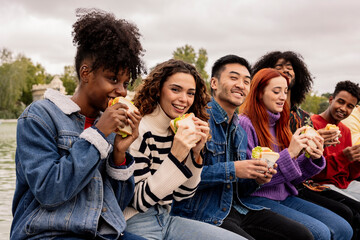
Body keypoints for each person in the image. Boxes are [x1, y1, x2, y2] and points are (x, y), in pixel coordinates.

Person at [11, 9, 147, 240]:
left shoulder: (111, 124)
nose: (122, 91)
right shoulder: (39, 116)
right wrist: (98, 134)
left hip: (101, 233)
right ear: (86, 73)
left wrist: (120, 155)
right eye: (113, 79)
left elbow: (119, 204)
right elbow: (49, 192)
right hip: (47, 232)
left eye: (125, 82)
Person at [171, 55, 314, 240]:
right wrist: (234, 169)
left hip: (238, 207)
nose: (241, 85)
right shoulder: (197, 121)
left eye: (246, 81)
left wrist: (257, 179)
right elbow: (182, 179)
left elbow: (241, 190)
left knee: (302, 234)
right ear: (214, 83)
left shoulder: (239, 130)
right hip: (201, 211)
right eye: (233, 78)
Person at [123, 59, 246, 240]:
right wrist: (176, 155)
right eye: (175, 89)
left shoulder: (177, 128)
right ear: (157, 89)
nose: (184, 99)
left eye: (190, 93)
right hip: (135, 220)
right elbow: (139, 201)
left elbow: (183, 194)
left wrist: (196, 155)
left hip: (166, 217)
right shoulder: (139, 129)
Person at [252, 51, 360, 239]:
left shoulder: (299, 118)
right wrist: (299, 152)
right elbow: (257, 177)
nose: (281, 97)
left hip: (296, 185)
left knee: (347, 221)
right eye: (278, 70)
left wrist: (316, 154)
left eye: (289, 70)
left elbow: (309, 167)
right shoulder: (252, 121)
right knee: (341, 218)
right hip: (293, 187)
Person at [311, 81, 360, 201]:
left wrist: (357, 161)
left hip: (344, 185)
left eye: (350, 106)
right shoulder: (311, 124)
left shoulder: (345, 131)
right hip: (321, 185)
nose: (343, 109)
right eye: (340, 102)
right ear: (331, 99)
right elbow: (315, 173)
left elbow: (347, 174)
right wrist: (344, 157)